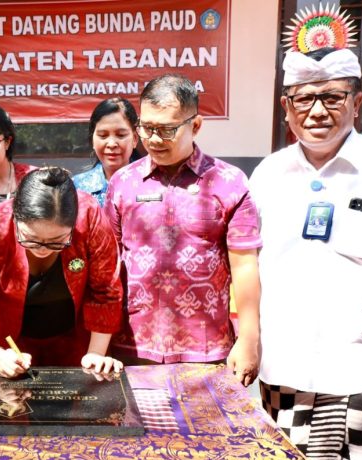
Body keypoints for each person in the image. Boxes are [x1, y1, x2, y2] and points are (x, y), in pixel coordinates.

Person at [249, 40, 362, 460]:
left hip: (361, 372)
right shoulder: (267, 175)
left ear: (356, 102)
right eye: (304, 99)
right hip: (284, 370)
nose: (317, 111)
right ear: (286, 107)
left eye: (332, 97)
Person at [103, 74, 262, 386]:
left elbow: (245, 266)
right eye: (146, 128)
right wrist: (100, 342)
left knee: (205, 435)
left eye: (167, 129)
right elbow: (108, 264)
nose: (154, 139)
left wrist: (249, 338)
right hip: (131, 347)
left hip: (205, 349)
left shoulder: (229, 183)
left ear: (196, 125)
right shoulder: (122, 182)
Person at [0, 167, 123, 378]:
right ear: (16, 217)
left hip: (77, 340)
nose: (43, 249)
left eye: (57, 242)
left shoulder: (88, 215)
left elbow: (106, 291)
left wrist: (95, 355)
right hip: (8, 345)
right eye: (30, 238)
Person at [72, 97, 140, 206]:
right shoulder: (76, 187)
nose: (111, 144)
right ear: (92, 140)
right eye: (103, 136)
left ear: (135, 139)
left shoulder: (152, 185)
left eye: (121, 135)